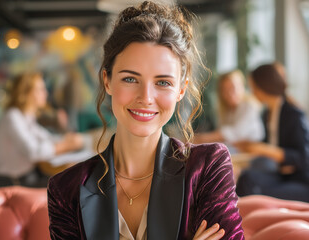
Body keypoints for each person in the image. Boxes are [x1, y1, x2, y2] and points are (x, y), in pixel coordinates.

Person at [47, 2, 244, 239]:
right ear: (107, 80)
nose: (146, 98)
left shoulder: (208, 168)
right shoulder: (66, 189)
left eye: (163, 82)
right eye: (130, 79)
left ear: (181, 90)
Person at [0, 72, 85, 187]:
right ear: (26, 93)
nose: (45, 93)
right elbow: (33, 151)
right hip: (8, 183)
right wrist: (66, 145)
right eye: (40, 89)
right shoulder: (12, 116)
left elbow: (46, 138)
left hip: (24, 177)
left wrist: (66, 138)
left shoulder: (27, 117)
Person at [235, 63, 309, 202]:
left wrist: (264, 149)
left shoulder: (293, 114)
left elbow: (302, 158)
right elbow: (270, 145)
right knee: (246, 178)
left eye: (253, 87)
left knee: (255, 190)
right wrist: (251, 147)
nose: (252, 91)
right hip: (283, 176)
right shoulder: (267, 114)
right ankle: (236, 220)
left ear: (264, 86)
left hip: (301, 181)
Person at [193, 70, 264, 147]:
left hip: (251, 153)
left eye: (233, 87)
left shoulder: (249, 106)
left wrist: (201, 139)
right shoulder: (225, 111)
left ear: (242, 86)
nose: (229, 93)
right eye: (225, 89)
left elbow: (235, 133)